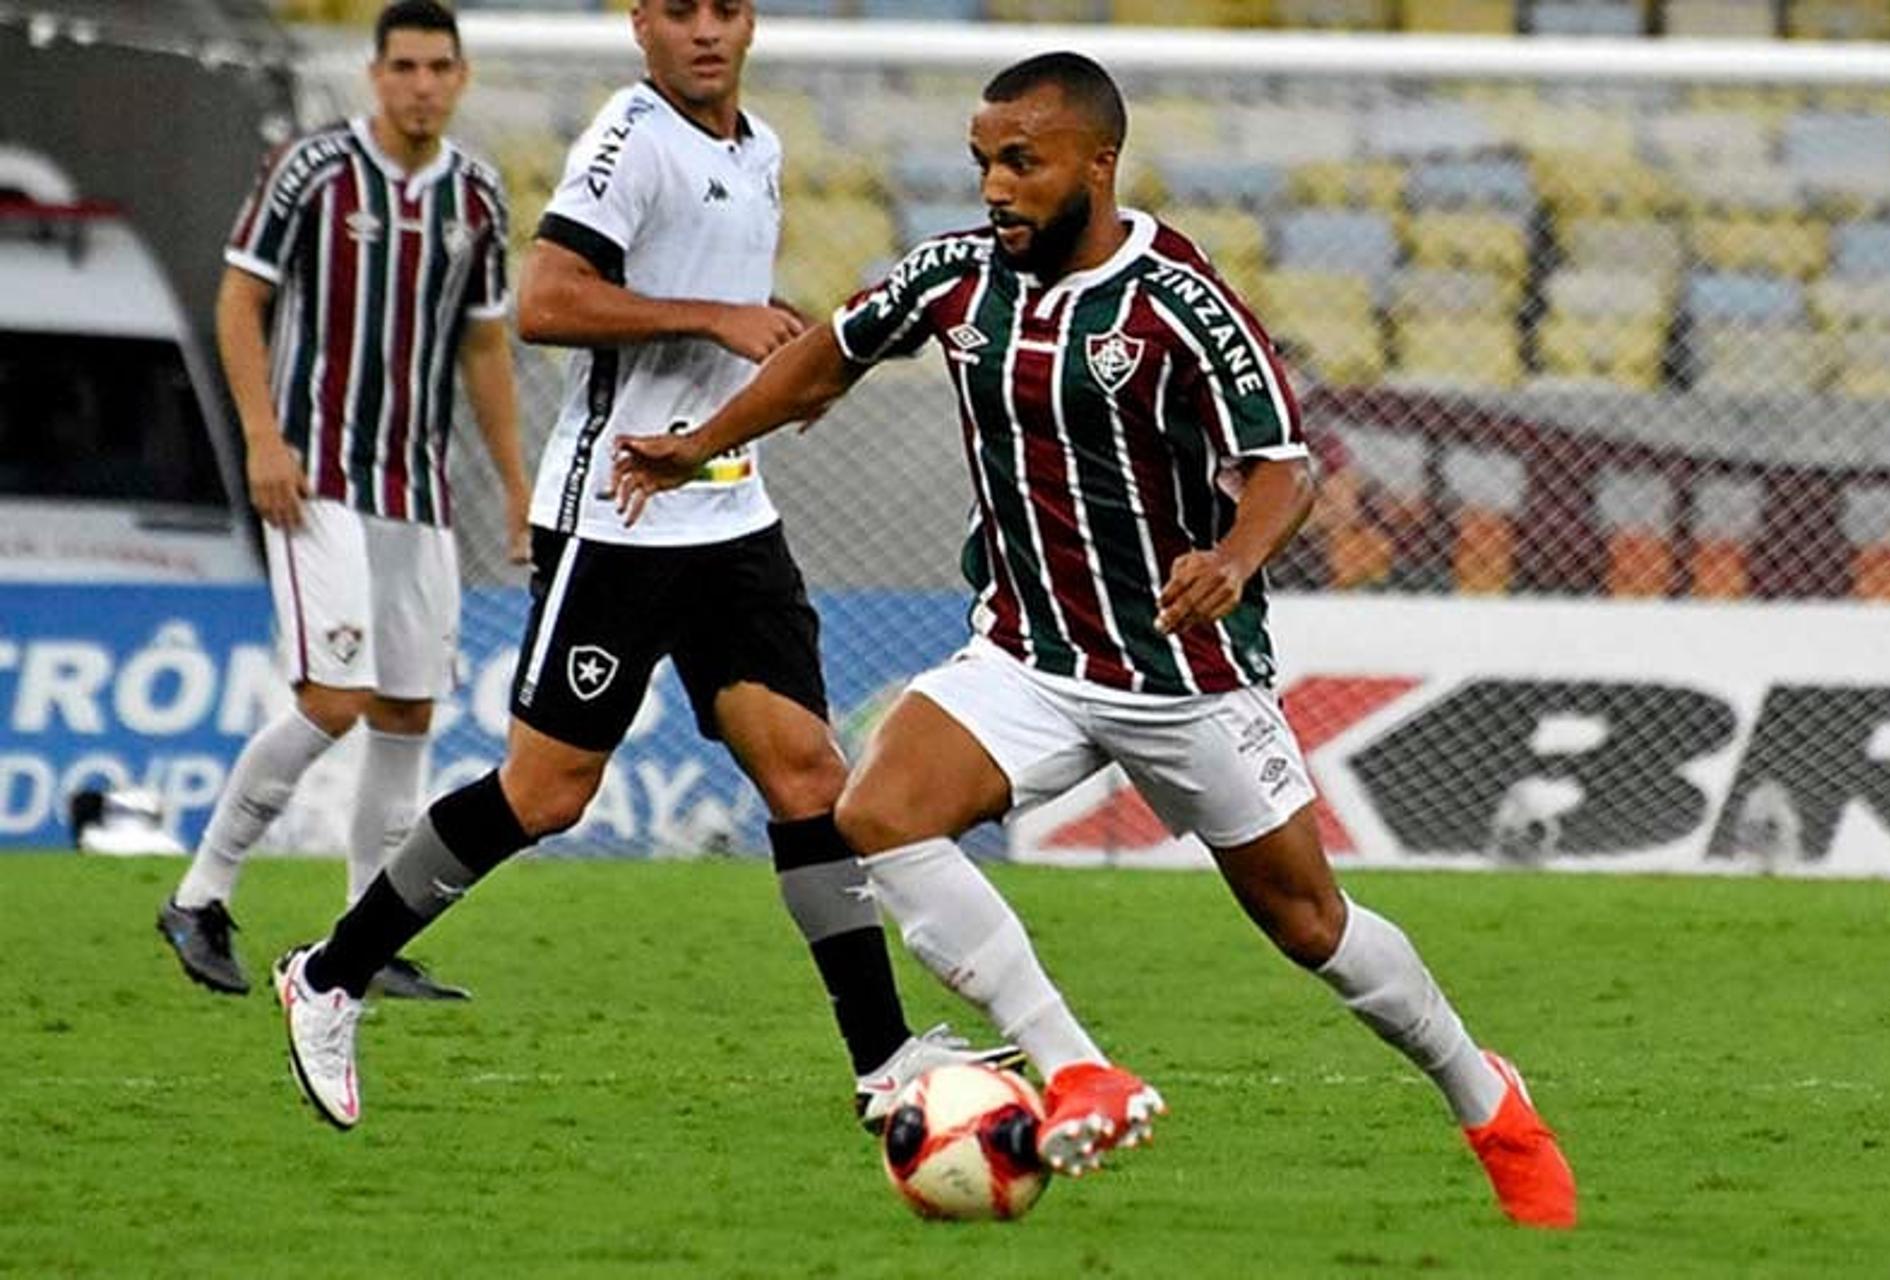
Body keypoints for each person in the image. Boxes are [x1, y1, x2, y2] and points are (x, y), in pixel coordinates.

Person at [610, 53, 1580, 1228]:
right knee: (874, 813)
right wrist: (697, 439)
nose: (997, 187)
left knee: (1310, 925)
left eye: (1022, 162)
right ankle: (1078, 1068)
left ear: (1096, 163)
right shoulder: (961, 277)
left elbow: (1284, 467)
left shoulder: (1176, 299)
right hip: (1027, 654)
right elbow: (833, 347)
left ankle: (1488, 1098)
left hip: (1185, 670)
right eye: (983, 163)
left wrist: (1231, 558)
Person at [269, 0, 1016, 1132]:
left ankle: (883, 1054)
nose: (704, 31)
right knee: (546, 791)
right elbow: (545, 301)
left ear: (751, 22)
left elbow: (725, 318)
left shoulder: (754, 146)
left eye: (724, 9)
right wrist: (714, 319)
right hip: (617, 514)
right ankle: (331, 972)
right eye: (679, 11)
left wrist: (778, 362)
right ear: (641, 25)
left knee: (809, 774)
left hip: (726, 510)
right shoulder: (629, 138)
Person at [158, 0, 530, 1002]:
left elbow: (486, 344)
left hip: (418, 485)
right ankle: (202, 892)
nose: (421, 83)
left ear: (460, 77)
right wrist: (261, 437)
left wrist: (515, 485)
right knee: (334, 697)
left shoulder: (479, 195)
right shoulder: (311, 171)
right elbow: (241, 298)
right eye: (403, 66)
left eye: (438, 66)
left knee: (409, 708)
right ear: (376, 75)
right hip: (316, 473)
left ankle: (369, 935)